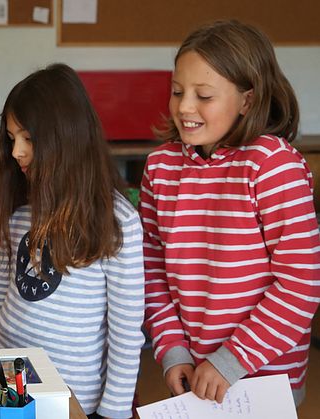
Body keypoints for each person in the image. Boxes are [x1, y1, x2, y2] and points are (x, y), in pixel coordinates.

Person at [140, 20, 320, 407]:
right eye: (176, 92)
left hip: (264, 381)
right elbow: (151, 270)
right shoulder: (159, 167)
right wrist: (172, 349)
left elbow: (300, 287)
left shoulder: (273, 166)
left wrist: (231, 361)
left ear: (248, 101)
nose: (184, 107)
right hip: (193, 377)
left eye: (203, 96)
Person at [0, 63, 145, 419]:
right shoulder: (21, 209)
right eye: (11, 139)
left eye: (28, 139)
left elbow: (126, 333)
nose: (16, 153)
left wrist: (112, 412)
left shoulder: (118, 222)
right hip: (5, 381)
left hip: (71, 397)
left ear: (66, 137)